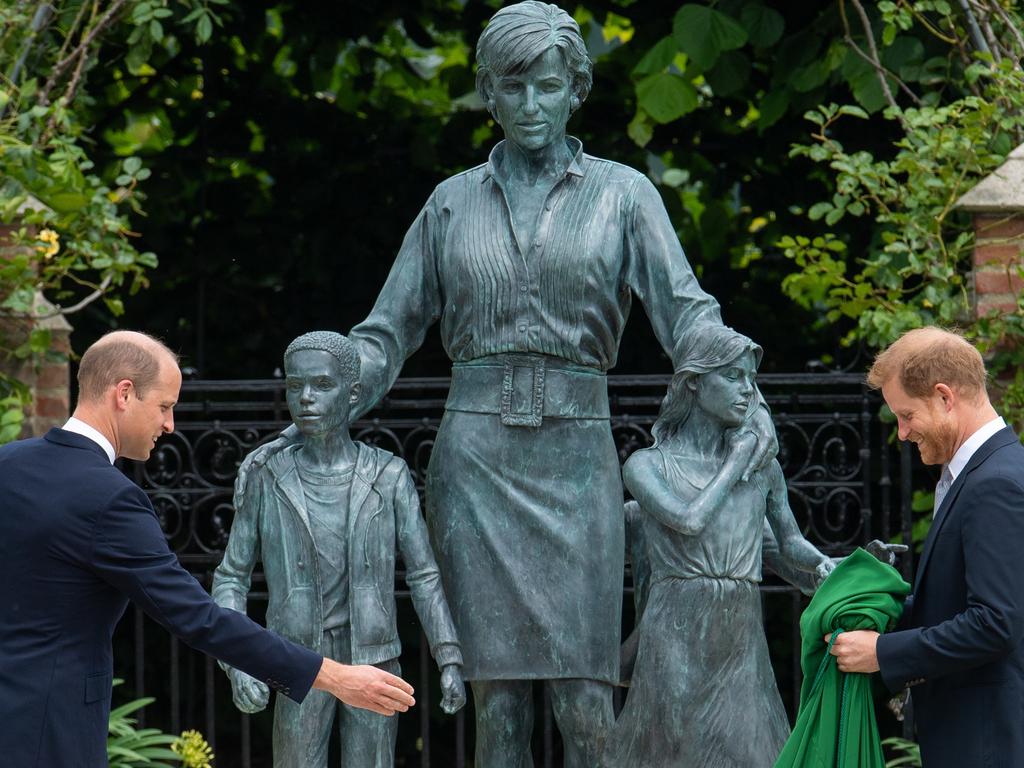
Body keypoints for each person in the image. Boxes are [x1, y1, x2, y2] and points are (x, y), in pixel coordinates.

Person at [238, 3, 777, 765]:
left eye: (548, 87)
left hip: (578, 455)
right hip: (478, 463)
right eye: (513, 88)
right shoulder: (451, 203)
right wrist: (328, 398)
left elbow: (686, 311)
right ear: (488, 93)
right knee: (498, 705)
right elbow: (386, 332)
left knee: (588, 696)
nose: (531, 107)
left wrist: (738, 387)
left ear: (575, 90)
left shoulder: (625, 196)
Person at [0, 330, 415, 768]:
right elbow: (199, 618)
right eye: (164, 406)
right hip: (53, 731)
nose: (169, 425)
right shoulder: (110, 498)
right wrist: (335, 676)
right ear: (124, 394)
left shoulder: (8, 465)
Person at [213, 331, 466, 767]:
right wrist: (238, 663)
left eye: (322, 385)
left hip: (375, 658)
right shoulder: (267, 477)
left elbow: (423, 574)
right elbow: (231, 578)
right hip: (297, 660)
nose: (306, 398)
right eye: (295, 387)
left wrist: (448, 658)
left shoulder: (388, 476)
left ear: (352, 395)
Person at [602, 327, 833, 767]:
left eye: (750, 379)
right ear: (693, 382)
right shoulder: (648, 465)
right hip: (676, 628)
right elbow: (690, 520)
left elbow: (792, 546)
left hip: (739, 632)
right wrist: (736, 461)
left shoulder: (763, 470)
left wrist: (839, 566)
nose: (747, 391)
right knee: (673, 750)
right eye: (732, 377)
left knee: (754, 751)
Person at [827, 327, 1024, 768]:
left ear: (943, 397)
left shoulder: (995, 484)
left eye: (906, 414)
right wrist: (874, 610)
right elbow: (956, 605)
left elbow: (995, 623)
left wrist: (882, 653)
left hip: (989, 748)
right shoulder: (976, 475)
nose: (901, 432)